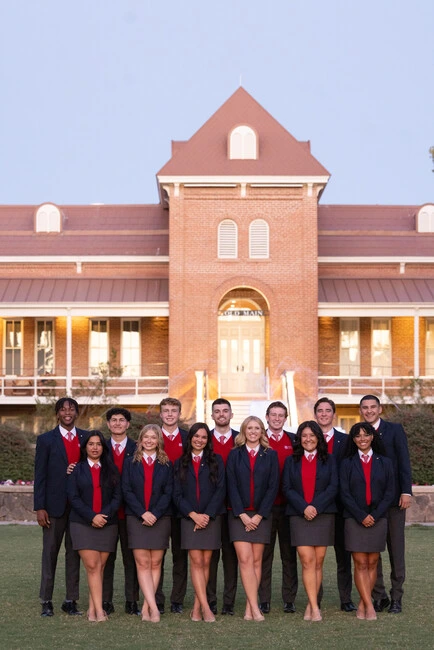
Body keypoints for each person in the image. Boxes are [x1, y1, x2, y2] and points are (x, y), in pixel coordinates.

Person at [359, 395, 412, 614]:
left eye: (373, 407)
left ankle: (397, 596)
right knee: (374, 551)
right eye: (365, 408)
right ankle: (379, 596)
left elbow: (404, 461)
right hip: (371, 505)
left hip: (393, 503)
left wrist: (406, 491)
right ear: (361, 410)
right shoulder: (359, 432)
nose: (369, 411)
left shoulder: (394, 430)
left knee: (396, 550)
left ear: (380, 409)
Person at [34, 397, 86, 617]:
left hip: (78, 508)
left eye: (71, 409)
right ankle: (46, 600)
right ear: (57, 414)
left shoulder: (86, 438)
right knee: (50, 554)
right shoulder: (46, 440)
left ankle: (70, 600)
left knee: (74, 555)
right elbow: (40, 475)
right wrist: (40, 507)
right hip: (53, 507)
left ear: (76, 413)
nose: (67, 412)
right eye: (63, 409)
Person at [282, 420, 338, 622]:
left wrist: (315, 506)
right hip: (299, 515)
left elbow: (333, 487)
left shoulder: (329, 459)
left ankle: (310, 604)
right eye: (304, 436)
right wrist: (304, 507)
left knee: (318, 562)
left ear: (318, 438)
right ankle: (315, 608)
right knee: (307, 560)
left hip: (323, 515)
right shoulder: (291, 461)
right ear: (299, 439)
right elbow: (287, 488)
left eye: (312, 435)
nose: (308, 439)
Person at [340, 422, 395, 621]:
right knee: (360, 562)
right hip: (355, 518)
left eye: (366, 434)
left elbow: (390, 492)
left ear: (372, 437)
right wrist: (361, 515)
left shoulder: (385, 462)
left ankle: (364, 603)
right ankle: (370, 607)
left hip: (378, 518)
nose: (362, 438)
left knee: (373, 562)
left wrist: (375, 514)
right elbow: (344, 493)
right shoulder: (347, 463)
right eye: (358, 435)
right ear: (353, 440)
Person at [226, 416, 279, 622]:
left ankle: (250, 607)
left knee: (257, 561)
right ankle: (256, 608)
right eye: (250, 428)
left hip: (261, 516)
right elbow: (231, 485)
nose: (253, 431)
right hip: (238, 515)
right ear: (243, 431)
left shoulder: (270, 455)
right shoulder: (234, 454)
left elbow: (273, 486)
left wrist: (258, 515)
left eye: (257, 428)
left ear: (262, 431)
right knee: (245, 560)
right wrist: (242, 514)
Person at [173, 422, 226, 623]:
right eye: (196, 436)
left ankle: (196, 608)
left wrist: (206, 515)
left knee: (207, 563)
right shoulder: (180, 462)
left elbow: (221, 489)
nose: (199, 440)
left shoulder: (216, 460)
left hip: (211, 518)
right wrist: (193, 515)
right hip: (189, 519)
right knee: (196, 562)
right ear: (190, 438)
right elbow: (176, 494)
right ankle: (205, 608)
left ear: (207, 440)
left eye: (204, 437)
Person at [67, 431, 122, 622]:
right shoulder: (76, 470)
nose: (95, 447)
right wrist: (92, 516)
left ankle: (92, 608)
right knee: (92, 565)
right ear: (85, 447)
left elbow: (117, 497)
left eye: (98, 444)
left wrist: (103, 516)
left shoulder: (112, 470)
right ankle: (99, 611)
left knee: (99, 568)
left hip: (107, 524)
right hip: (82, 523)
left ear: (103, 448)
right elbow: (73, 497)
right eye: (91, 444)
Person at [122, 424, 173, 623]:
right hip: (136, 518)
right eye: (146, 437)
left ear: (159, 440)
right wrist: (143, 513)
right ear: (140, 440)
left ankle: (146, 607)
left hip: (161, 518)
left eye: (154, 437)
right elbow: (126, 491)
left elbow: (169, 492)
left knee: (156, 563)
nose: (150, 441)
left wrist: (155, 513)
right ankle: (154, 609)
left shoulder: (167, 464)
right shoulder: (130, 463)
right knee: (142, 563)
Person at [314, 397, 355, 612]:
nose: (323, 414)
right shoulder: (306, 438)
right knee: (314, 558)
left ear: (333, 414)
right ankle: (315, 598)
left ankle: (345, 598)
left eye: (327, 410)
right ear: (315, 414)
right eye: (320, 410)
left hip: (341, 506)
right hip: (315, 508)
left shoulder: (346, 440)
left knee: (343, 556)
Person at [258, 401, 298, 615]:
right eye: (273, 414)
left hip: (289, 507)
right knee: (264, 556)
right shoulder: (257, 438)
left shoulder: (293, 440)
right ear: (266, 416)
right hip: (264, 508)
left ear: (285, 418)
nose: (276, 418)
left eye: (280, 415)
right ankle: (263, 599)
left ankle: (289, 599)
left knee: (288, 555)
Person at [103, 407, 140, 616]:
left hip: (130, 512)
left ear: (128, 424)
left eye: (121, 420)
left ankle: (132, 600)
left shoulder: (138, 447)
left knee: (131, 559)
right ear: (108, 424)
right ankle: (106, 600)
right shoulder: (100, 446)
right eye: (113, 420)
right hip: (107, 512)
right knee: (107, 559)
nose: (117, 423)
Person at [156, 397, 188, 614]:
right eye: (166, 411)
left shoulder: (187, 438)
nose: (169, 414)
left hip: (183, 506)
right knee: (156, 556)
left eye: (173, 411)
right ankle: (156, 598)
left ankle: (177, 599)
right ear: (160, 414)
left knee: (180, 556)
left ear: (179, 414)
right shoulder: (151, 437)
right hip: (158, 506)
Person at [206, 398, 238, 616]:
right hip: (210, 508)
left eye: (225, 411)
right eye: (217, 411)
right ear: (212, 416)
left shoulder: (241, 439)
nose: (221, 414)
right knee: (210, 558)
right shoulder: (203, 438)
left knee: (231, 558)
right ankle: (210, 600)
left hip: (235, 508)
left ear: (231, 414)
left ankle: (229, 603)